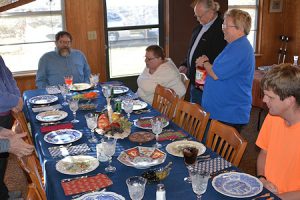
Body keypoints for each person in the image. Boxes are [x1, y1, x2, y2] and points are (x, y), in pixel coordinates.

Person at [197, 9, 254, 132]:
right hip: (221, 111)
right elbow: (224, 74)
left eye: (226, 25)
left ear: (239, 28)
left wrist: (205, 63)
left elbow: (216, 74)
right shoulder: (233, 45)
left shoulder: (240, 48)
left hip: (229, 113)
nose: (223, 28)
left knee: (218, 150)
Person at [256, 64, 300, 200]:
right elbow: (264, 153)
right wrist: (262, 179)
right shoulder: (273, 116)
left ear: (289, 101)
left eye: (270, 97)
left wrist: (278, 197)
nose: (264, 100)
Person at [178, 0, 227, 105]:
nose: (198, 19)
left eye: (200, 16)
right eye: (196, 16)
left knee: (205, 115)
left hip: (207, 83)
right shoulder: (199, 27)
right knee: (195, 112)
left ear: (211, 12)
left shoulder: (221, 30)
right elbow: (192, 50)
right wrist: (185, 64)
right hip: (194, 80)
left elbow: (217, 59)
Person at [0, 55, 25, 200]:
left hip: (5, 113)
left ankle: (3, 193)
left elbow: (9, 77)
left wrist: (16, 98)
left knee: (2, 162)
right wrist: (14, 100)